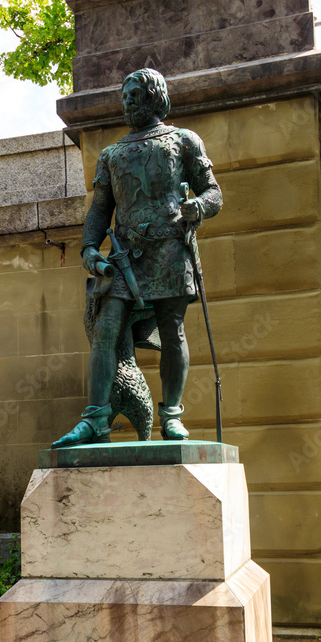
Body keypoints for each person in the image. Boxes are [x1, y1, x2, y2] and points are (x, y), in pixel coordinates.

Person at [52, 67, 222, 448]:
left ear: (154, 97)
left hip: (170, 251)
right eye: (124, 95)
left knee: (173, 331)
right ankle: (95, 418)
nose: (126, 101)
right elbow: (99, 210)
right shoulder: (111, 154)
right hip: (123, 256)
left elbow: (213, 193)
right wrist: (89, 249)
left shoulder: (183, 140)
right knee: (105, 330)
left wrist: (197, 207)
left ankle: (172, 417)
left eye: (134, 94)